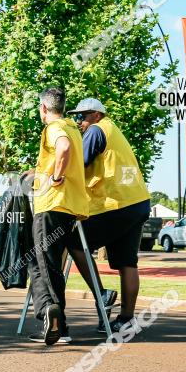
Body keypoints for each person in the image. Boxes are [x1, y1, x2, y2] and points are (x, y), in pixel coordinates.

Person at [68, 98, 151, 334]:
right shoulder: (114, 131)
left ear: (96, 114)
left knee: (73, 242)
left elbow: (77, 164)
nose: (79, 122)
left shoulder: (96, 130)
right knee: (127, 262)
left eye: (82, 116)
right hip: (138, 203)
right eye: (77, 117)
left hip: (116, 204)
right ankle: (126, 319)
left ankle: (101, 294)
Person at [23, 88, 91, 345]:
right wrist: (40, 171)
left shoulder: (53, 128)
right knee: (49, 264)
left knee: (42, 264)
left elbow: (62, 148)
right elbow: (65, 153)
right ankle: (60, 326)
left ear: (43, 108)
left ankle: (49, 314)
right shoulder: (74, 128)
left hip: (51, 204)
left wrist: (55, 177)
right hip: (71, 207)